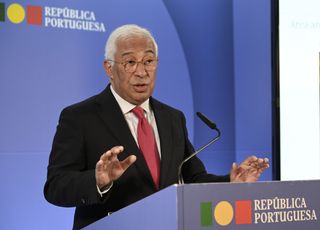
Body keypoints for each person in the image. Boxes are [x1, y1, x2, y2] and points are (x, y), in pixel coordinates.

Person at [44, 24, 269, 229]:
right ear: (109, 68)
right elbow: (55, 187)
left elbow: (192, 179)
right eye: (130, 62)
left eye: (149, 61)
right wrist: (98, 180)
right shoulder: (80, 117)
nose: (142, 72)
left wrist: (231, 182)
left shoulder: (172, 118)